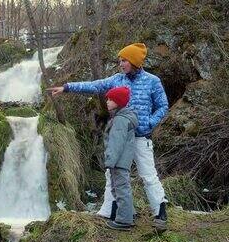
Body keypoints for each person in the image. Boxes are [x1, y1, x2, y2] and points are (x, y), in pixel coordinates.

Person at [47, 43, 169, 231]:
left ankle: (159, 212)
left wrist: (150, 123)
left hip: (140, 137)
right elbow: (94, 86)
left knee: (147, 174)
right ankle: (109, 210)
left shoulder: (152, 81)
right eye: (119, 60)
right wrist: (67, 87)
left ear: (135, 61)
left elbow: (163, 106)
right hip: (120, 137)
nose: (120, 64)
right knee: (111, 173)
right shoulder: (117, 79)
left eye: (124, 60)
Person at [103, 86, 138, 231]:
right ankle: (129, 214)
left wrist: (109, 161)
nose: (107, 102)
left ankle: (124, 221)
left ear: (119, 102)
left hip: (119, 162)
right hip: (121, 161)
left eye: (111, 99)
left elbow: (116, 143)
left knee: (121, 189)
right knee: (120, 188)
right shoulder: (122, 117)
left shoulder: (120, 120)